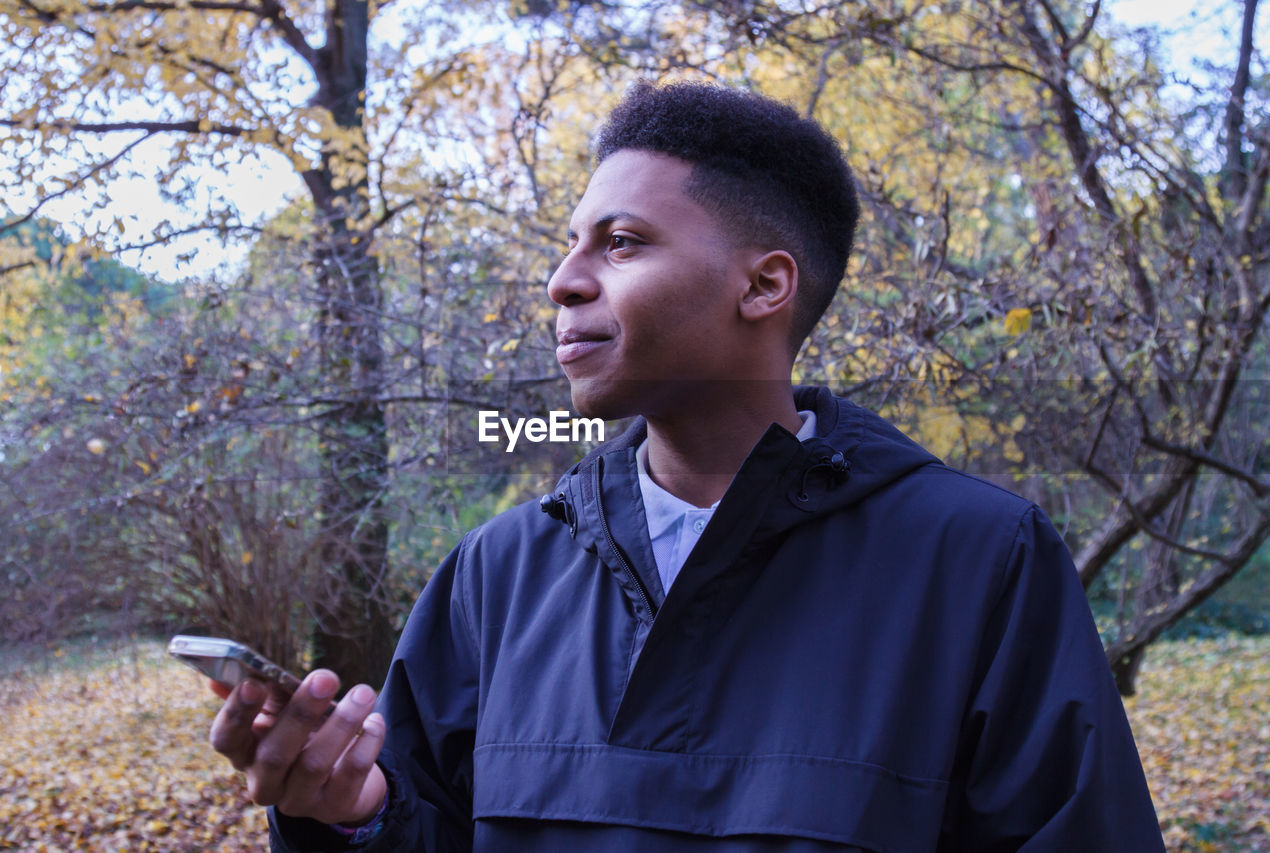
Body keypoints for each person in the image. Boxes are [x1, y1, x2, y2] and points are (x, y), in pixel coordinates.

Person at [209, 80, 1166, 851]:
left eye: (620, 242)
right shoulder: (496, 576)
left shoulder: (978, 562)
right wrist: (351, 816)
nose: (563, 280)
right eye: (572, 244)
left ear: (763, 284)